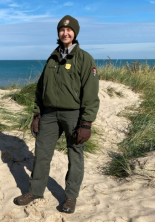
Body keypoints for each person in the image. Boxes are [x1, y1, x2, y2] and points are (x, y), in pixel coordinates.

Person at [14, 15, 100, 213]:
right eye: (62, 30)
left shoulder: (85, 58)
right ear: (58, 33)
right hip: (49, 114)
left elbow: (91, 92)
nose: (65, 33)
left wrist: (86, 123)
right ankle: (35, 191)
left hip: (74, 115)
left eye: (69, 30)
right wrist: (37, 115)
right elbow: (40, 88)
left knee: (75, 155)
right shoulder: (52, 57)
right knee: (42, 154)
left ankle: (70, 197)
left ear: (75, 33)